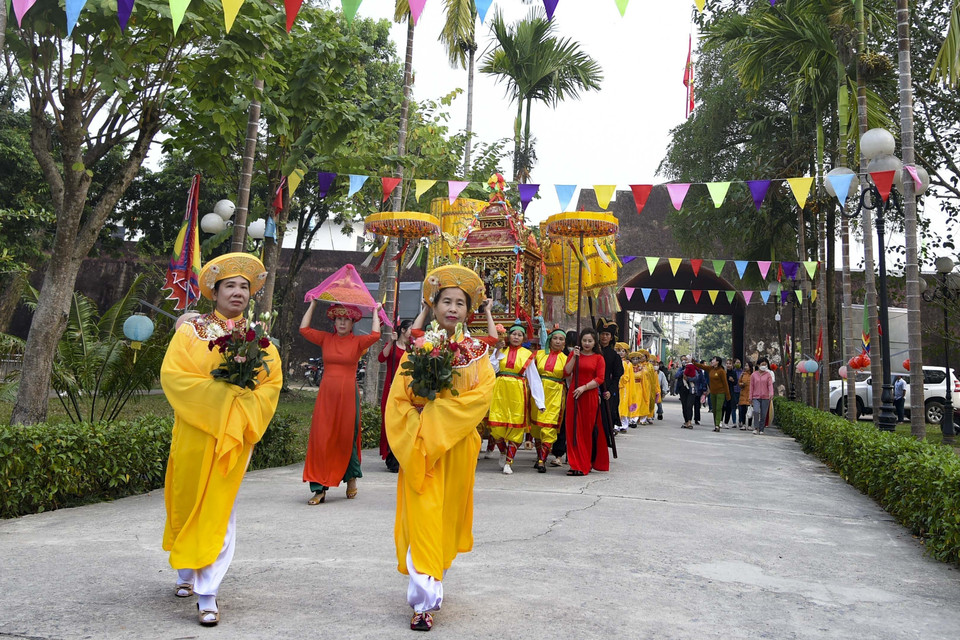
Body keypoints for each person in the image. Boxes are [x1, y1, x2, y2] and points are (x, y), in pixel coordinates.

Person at [161, 252, 282, 627]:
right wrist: (223, 398)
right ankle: (186, 570)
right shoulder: (190, 332)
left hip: (232, 437)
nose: (238, 292)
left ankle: (208, 594)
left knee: (219, 507)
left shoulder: (260, 341)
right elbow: (174, 377)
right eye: (229, 285)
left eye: (244, 287)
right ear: (214, 292)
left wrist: (237, 407)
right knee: (184, 499)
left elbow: (270, 387)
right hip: (194, 432)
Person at [384, 264, 494, 632]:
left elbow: (481, 399)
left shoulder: (478, 353)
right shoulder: (417, 348)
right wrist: (421, 425)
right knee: (424, 516)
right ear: (432, 306)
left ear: (468, 310)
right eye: (445, 301)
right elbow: (399, 398)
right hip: (421, 447)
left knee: (445, 518)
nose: (452, 308)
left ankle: (435, 574)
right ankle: (423, 602)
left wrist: (437, 417)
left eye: (459, 303)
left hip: (457, 447)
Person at [300, 299, 382, 504]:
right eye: (338, 319)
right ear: (334, 322)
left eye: (346, 319)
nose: (342, 323)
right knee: (322, 437)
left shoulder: (357, 342)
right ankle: (319, 488)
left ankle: (351, 476)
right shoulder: (326, 339)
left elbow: (375, 335)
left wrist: (375, 312)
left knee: (346, 436)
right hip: (326, 395)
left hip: (348, 395)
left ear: (353, 322)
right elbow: (304, 329)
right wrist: (313, 304)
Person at [488, 320, 545, 474]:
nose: (516, 337)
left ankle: (509, 462)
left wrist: (540, 401)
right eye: (513, 334)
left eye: (519, 335)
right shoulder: (501, 351)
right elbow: (491, 369)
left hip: (517, 392)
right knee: (496, 428)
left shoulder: (527, 355)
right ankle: (502, 451)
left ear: (523, 338)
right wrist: (496, 352)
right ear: (508, 336)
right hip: (500, 391)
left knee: (516, 427)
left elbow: (534, 379)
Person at [563, 328, 609, 476]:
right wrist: (574, 358)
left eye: (590, 341)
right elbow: (566, 372)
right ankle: (574, 463)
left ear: (594, 342)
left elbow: (600, 379)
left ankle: (585, 463)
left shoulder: (598, 358)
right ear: (580, 341)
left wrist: (584, 388)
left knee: (585, 431)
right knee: (572, 429)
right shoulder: (574, 354)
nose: (587, 343)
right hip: (573, 396)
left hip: (589, 396)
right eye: (584, 340)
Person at [530, 326, 569, 472]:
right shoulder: (538, 355)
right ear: (550, 340)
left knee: (549, 426)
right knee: (537, 426)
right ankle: (540, 455)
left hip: (556, 393)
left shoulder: (566, 359)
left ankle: (542, 460)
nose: (557, 341)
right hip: (538, 391)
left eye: (561, 339)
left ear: (565, 343)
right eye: (555, 338)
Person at [379, 319, 414, 473]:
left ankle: (402, 455)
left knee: (405, 421)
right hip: (391, 386)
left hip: (406, 388)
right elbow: (381, 358)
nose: (412, 332)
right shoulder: (393, 345)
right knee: (390, 419)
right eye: (411, 329)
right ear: (403, 330)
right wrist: (390, 342)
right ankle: (390, 456)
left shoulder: (412, 347)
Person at [596, 318, 624, 442]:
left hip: (608, 390)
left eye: (607, 334)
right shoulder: (593, 351)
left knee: (606, 420)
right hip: (593, 387)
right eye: (602, 334)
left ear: (611, 337)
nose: (604, 337)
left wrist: (610, 391)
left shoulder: (614, 356)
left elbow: (617, 375)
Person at [694, 356, 730, 432]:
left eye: (714, 360)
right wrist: (694, 362)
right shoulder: (710, 369)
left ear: (717, 362)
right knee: (714, 409)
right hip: (713, 392)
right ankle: (715, 424)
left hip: (721, 392)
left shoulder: (721, 371)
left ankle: (717, 425)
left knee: (718, 408)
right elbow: (702, 366)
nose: (712, 361)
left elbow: (725, 383)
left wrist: (728, 395)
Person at [750, 357, 775, 434]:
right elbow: (751, 386)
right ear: (758, 365)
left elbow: (770, 385)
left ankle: (761, 429)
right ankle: (756, 427)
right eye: (762, 364)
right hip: (755, 396)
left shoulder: (768, 375)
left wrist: (771, 393)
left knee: (764, 414)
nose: (764, 366)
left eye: (765, 364)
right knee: (756, 411)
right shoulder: (754, 375)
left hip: (765, 397)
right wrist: (750, 397)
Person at [616, 342, 635, 432]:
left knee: (623, 405)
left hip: (624, 387)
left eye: (623, 351)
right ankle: (616, 424)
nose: (621, 353)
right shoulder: (615, 361)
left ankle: (624, 424)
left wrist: (621, 380)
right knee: (617, 405)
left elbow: (628, 377)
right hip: (616, 385)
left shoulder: (628, 364)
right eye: (619, 351)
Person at [676, 357, 699, 429]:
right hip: (683, 389)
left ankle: (689, 421)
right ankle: (686, 421)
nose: (685, 361)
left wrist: (688, 378)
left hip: (691, 389)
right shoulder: (681, 369)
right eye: (683, 360)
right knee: (684, 406)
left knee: (689, 405)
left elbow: (696, 377)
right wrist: (684, 371)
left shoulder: (694, 368)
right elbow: (676, 375)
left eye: (686, 360)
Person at [723, 358, 739, 428]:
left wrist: (732, 380)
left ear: (732, 365)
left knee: (729, 407)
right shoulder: (724, 372)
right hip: (723, 391)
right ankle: (720, 421)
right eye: (727, 364)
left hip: (731, 391)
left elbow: (736, 382)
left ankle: (726, 422)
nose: (728, 365)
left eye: (730, 364)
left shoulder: (733, 372)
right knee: (723, 407)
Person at [738, 362, 753, 430]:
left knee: (750, 410)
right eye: (745, 365)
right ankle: (743, 424)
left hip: (750, 394)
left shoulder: (753, 375)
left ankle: (749, 425)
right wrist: (742, 384)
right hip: (743, 394)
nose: (745, 367)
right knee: (743, 410)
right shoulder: (743, 374)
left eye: (747, 365)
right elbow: (739, 382)